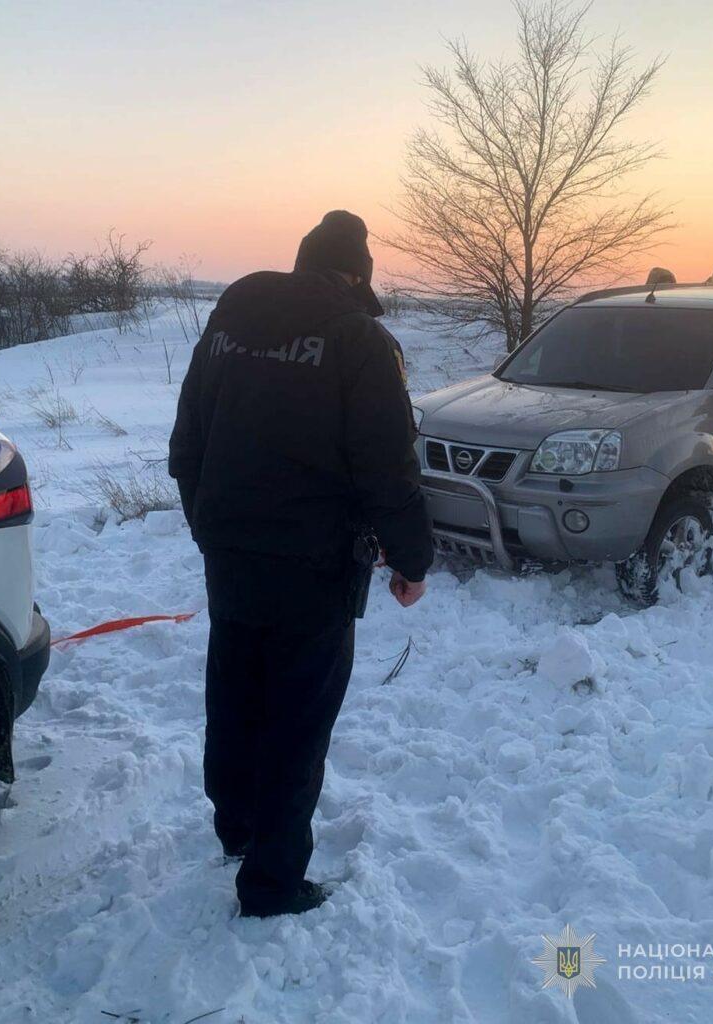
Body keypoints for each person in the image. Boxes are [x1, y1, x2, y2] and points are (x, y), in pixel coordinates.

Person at [168, 210, 434, 918]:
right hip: (315, 564)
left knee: (235, 693)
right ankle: (273, 882)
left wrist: (209, 525)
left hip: (231, 553)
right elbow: (388, 467)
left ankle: (237, 828)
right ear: (356, 274)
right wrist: (412, 557)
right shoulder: (359, 339)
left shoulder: (230, 320)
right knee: (297, 720)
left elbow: (187, 439)